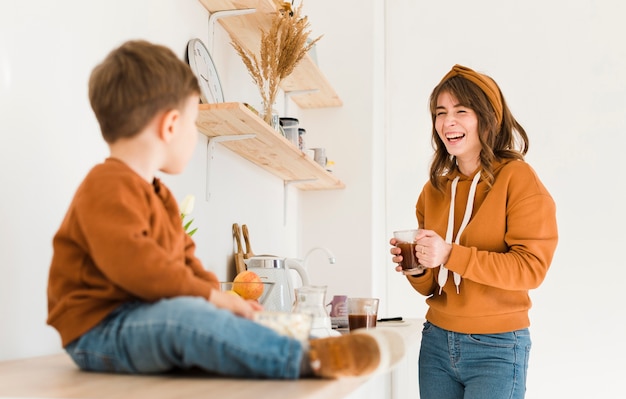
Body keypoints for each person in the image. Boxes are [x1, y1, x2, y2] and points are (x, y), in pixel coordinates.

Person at [47, 39, 403, 380]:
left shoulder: (160, 197)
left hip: (144, 318)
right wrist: (213, 298)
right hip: (101, 330)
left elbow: (187, 264)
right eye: (192, 123)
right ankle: (306, 359)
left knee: (214, 316)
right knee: (185, 318)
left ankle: (307, 345)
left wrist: (222, 302)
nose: (192, 133)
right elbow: (139, 268)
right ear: (170, 125)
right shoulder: (106, 185)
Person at [389, 64, 558, 399]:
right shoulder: (433, 190)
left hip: (497, 348)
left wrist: (449, 253)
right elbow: (431, 287)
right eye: (441, 113)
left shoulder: (519, 179)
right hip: (436, 343)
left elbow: (531, 269)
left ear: (486, 117)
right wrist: (417, 266)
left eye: (461, 112)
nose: (448, 122)